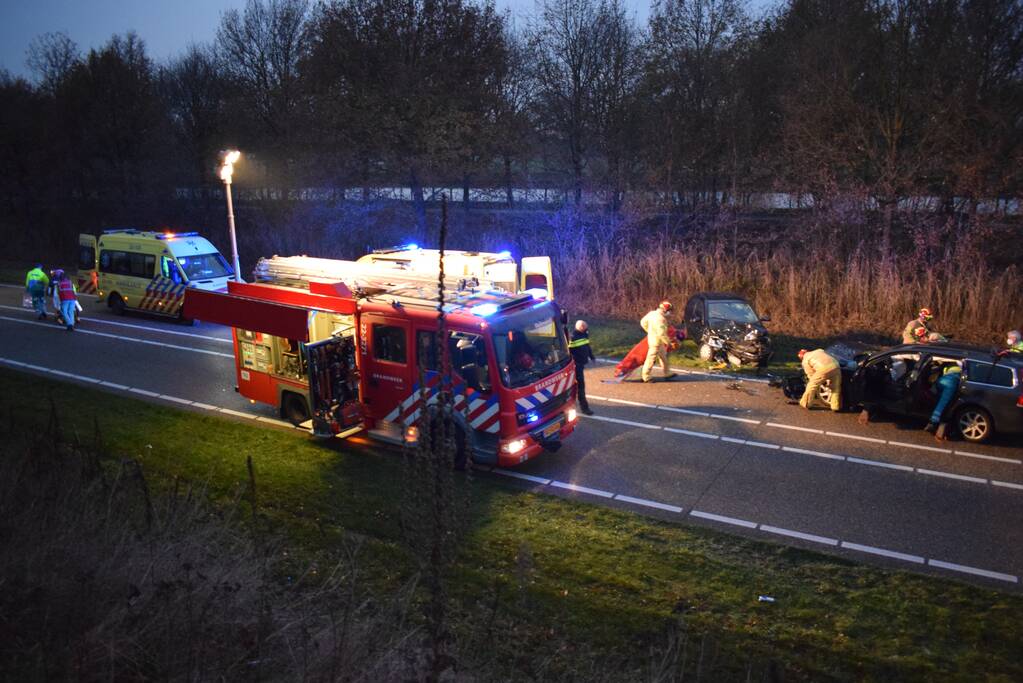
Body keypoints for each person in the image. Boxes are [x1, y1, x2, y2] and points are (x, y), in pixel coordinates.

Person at [924, 361, 962, 441]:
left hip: (946, 381)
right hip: (953, 382)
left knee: (942, 402)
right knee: (944, 404)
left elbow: (933, 380)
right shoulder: (959, 366)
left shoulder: (944, 366)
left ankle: (934, 425)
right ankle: (939, 429)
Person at [640, 300, 677, 383]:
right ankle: (646, 376)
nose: (670, 313)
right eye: (670, 311)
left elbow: (642, 322)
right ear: (665, 310)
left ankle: (667, 373)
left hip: (654, 339)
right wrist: (669, 343)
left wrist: (649, 330)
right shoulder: (661, 319)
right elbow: (662, 334)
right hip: (656, 342)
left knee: (663, 356)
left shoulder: (652, 313)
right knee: (651, 359)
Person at [568, 320, 596, 415]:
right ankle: (585, 408)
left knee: (579, 387)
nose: (587, 329)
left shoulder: (584, 334)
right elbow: (569, 352)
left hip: (581, 364)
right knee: (580, 387)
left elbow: (587, 346)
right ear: (581, 327)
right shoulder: (573, 337)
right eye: (585, 328)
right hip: (577, 365)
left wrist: (591, 356)